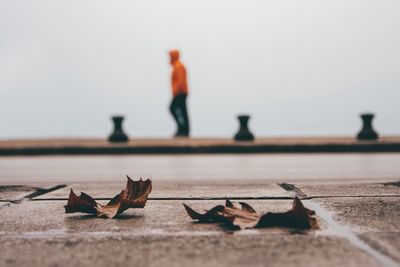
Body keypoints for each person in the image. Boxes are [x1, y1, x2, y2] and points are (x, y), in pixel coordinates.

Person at [169, 50, 190, 137]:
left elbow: (180, 81)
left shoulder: (179, 66)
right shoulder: (176, 66)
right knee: (183, 111)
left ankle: (182, 128)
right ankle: (184, 130)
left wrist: (176, 92)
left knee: (172, 108)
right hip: (180, 92)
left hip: (180, 92)